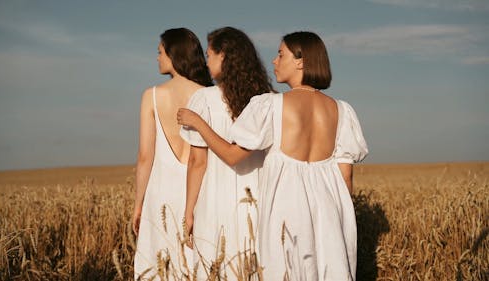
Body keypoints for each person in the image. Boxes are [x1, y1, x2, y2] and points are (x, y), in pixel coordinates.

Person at [177, 31, 368, 281]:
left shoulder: (271, 105)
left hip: (286, 209)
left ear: (300, 61)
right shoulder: (343, 111)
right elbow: (346, 176)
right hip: (331, 213)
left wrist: (199, 123)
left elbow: (233, 156)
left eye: (280, 54)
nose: (275, 61)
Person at [180, 26, 274, 279]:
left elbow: (197, 162)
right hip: (258, 199)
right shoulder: (269, 100)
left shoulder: (203, 100)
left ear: (224, 56)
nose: (206, 60)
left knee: (215, 267)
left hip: (215, 199)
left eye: (210, 54)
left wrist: (188, 211)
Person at [132, 27, 213, 280]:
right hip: (199, 188)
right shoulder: (209, 95)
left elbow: (146, 157)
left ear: (173, 54)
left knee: (160, 263)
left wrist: (138, 204)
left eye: (160, 52)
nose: (157, 58)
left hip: (161, 191)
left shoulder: (152, 96)